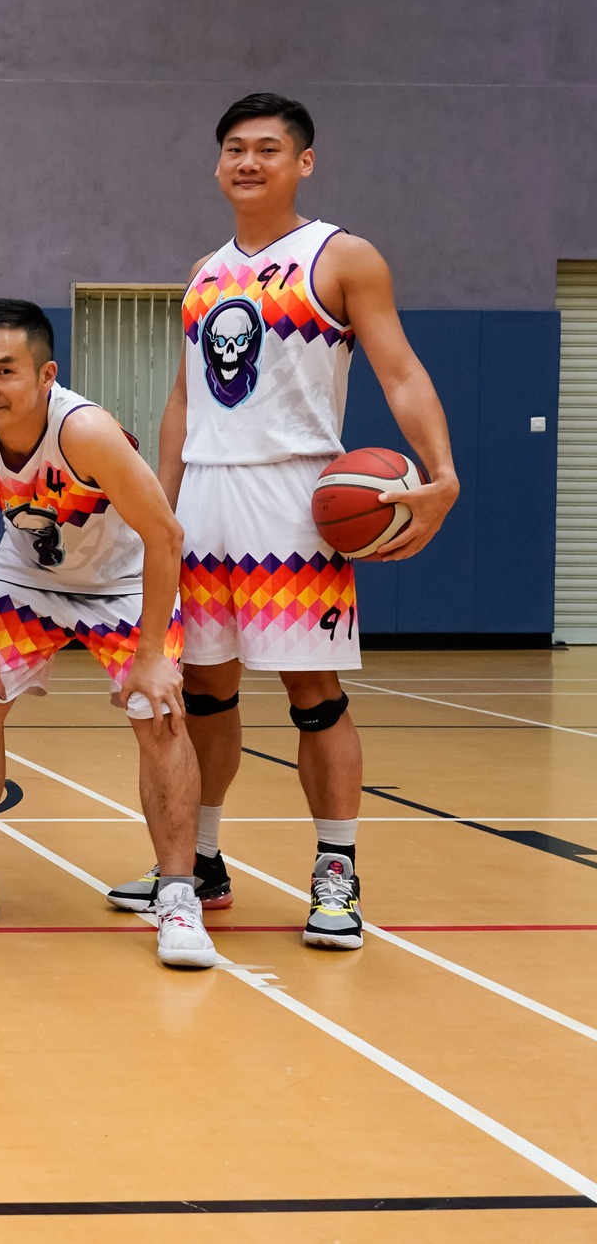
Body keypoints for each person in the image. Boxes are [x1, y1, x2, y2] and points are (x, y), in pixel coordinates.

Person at [122, 93, 460, 951]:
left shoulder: (342, 256)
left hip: (295, 501)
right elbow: (182, 400)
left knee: (314, 695)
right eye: (234, 148)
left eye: (267, 148)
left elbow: (400, 371)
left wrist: (443, 472)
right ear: (217, 165)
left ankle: (336, 874)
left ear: (303, 162)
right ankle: (200, 862)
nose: (248, 161)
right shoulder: (204, 270)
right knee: (204, 691)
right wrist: (160, 508)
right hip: (204, 499)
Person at [0, 301, 221, 968]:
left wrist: (151, 656)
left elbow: (166, 535)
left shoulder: (84, 432)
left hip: (123, 581)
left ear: (46, 375)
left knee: (158, 713)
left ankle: (178, 895)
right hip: (28, 578)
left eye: (5, 370)